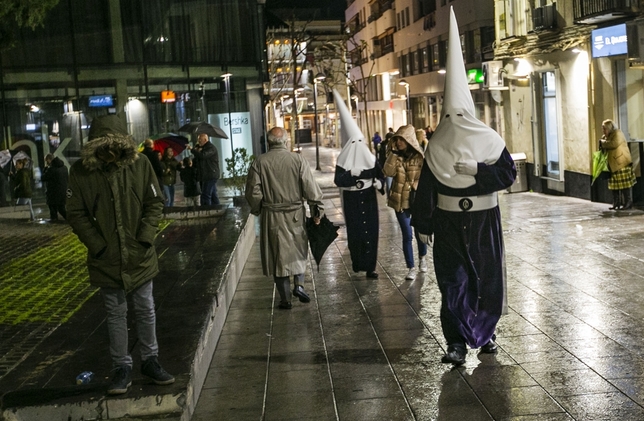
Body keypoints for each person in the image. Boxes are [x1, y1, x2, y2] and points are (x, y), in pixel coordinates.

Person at [412, 7, 516, 366]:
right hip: (448, 222)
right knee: (452, 285)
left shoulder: (489, 139)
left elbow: (508, 175)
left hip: (484, 221)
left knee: (486, 280)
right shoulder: (436, 146)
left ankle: (487, 333)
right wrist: (422, 226)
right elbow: (425, 189)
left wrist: (478, 170)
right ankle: (456, 341)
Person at [66, 115, 174, 395]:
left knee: (145, 308)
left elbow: (154, 203)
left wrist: (145, 238)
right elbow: (75, 212)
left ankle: (150, 361)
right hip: (107, 257)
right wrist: (97, 245)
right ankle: (121, 368)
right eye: (102, 146)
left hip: (140, 254)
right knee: (115, 313)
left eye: (113, 146)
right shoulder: (81, 171)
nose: (109, 152)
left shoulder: (140, 165)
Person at [245, 126, 324, 310]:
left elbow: (253, 192)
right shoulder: (298, 160)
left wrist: (258, 209)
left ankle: (285, 299)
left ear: (269, 142)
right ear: (286, 141)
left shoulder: (259, 163)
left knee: (277, 255)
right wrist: (316, 210)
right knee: (297, 250)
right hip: (295, 214)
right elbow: (310, 188)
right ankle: (299, 285)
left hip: (272, 216)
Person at [332, 89, 384, 279]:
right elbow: (338, 180)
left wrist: (379, 183)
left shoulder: (370, 158)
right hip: (352, 198)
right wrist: (351, 175)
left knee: (371, 232)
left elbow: (380, 173)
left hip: (368, 198)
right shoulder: (342, 160)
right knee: (356, 233)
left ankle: (371, 266)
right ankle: (358, 262)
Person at [383, 124, 427, 281]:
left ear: (408, 140)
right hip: (400, 202)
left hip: (416, 201)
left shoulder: (419, 157)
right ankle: (411, 268)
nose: (399, 142)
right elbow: (387, 172)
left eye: (401, 139)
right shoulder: (394, 156)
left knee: (419, 233)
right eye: (397, 140)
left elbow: (424, 179)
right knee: (407, 235)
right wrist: (393, 154)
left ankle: (422, 258)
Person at [600, 119, 636, 210]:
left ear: (609, 128)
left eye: (604, 129)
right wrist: (603, 140)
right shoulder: (607, 136)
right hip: (613, 165)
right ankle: (616, 203)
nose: (603, 131)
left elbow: (613, 144)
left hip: (621, 163)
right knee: (614, 185)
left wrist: (603, 142)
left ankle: (628, 202)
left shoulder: (617, 133)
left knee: (624, 185)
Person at [191, 133, 220, 206]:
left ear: (205, 140)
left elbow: (203, 156)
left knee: (205, 194)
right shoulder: (203, 148)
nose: (199, 141)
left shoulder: (211, 148)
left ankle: (206, 209)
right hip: (207, 175)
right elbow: (198, 160)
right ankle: (217, 207)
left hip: (210, 174)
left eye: (200, 140)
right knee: (213, 194)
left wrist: (193, 150)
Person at [42, 153, 69, 221]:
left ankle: (55, 219)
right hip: (63, 190)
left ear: (48, 160)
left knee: (53, 206)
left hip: (53, 192)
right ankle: (69, 218)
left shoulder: (52, 169)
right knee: (61, 207)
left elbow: (43, 178)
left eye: (46, 161)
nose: (46, 162)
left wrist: (45, 168)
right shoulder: (64, 167)